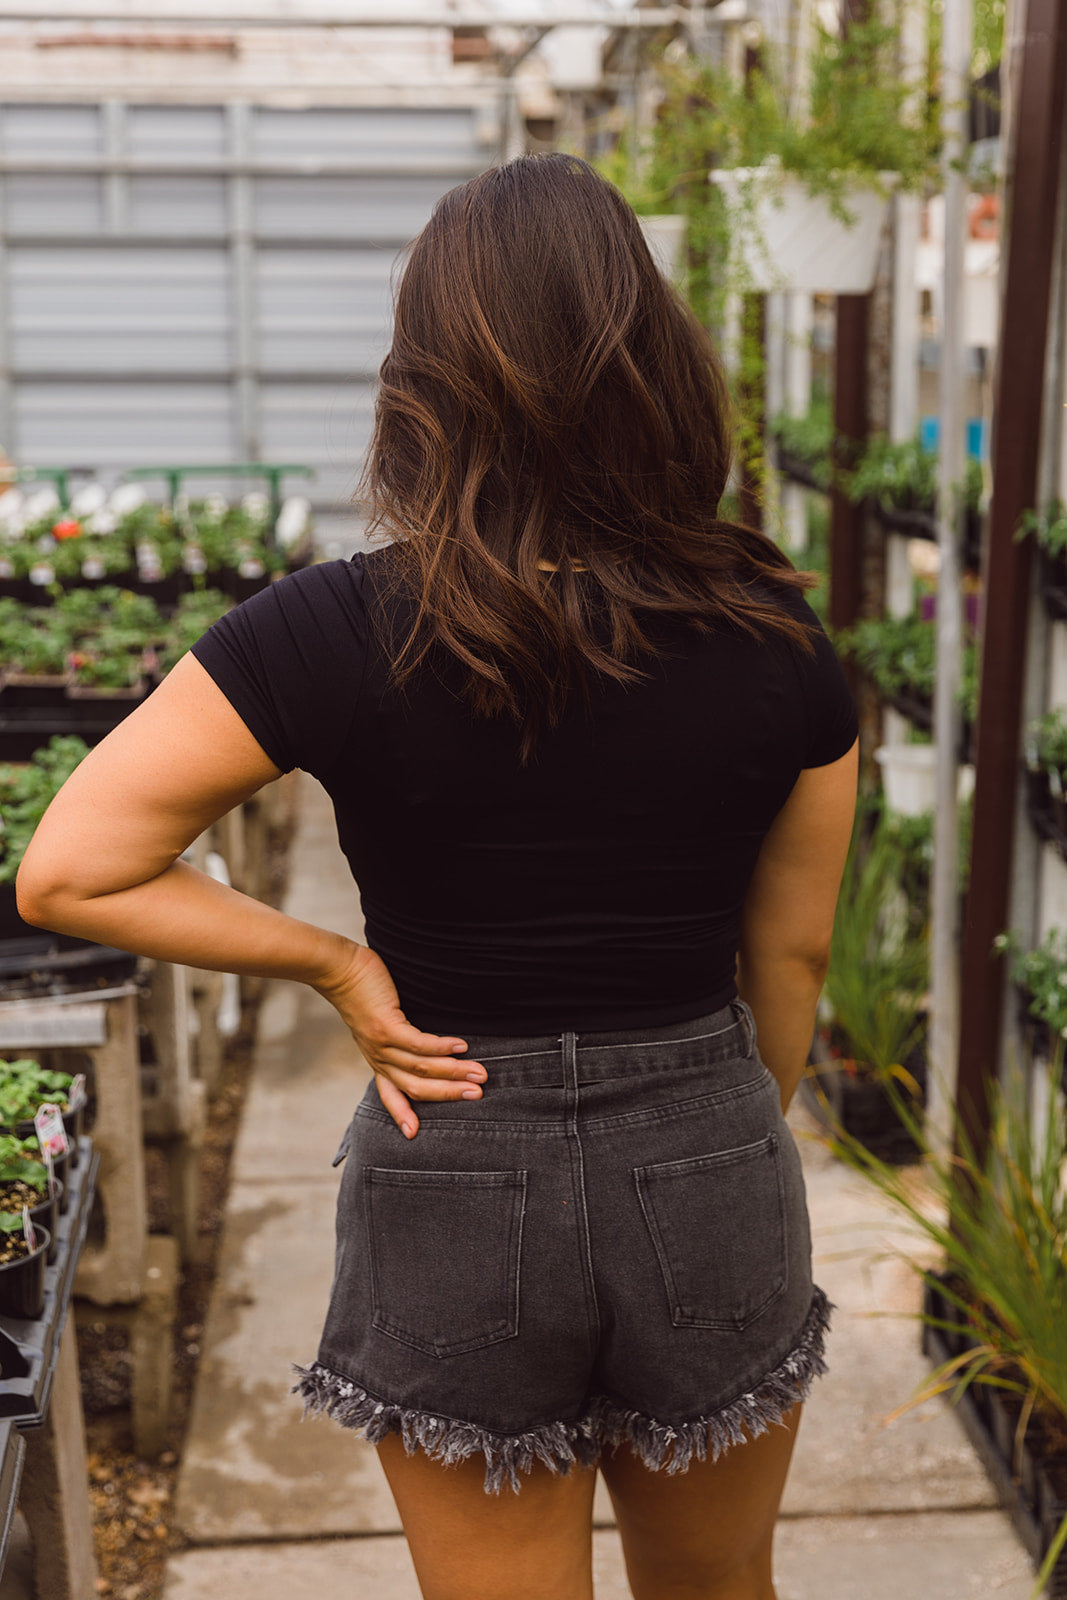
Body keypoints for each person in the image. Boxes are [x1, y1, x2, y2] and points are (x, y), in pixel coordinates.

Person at [17, 154, 857, 1600]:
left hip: (451, 1141)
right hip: (711, 1144)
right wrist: (716, 1117)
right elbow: (791, 964)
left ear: (425, 380)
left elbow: (72, 872)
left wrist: (334, 965)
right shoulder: (775, 629)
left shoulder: (333, 629)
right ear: (660, 365)